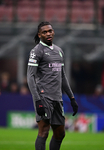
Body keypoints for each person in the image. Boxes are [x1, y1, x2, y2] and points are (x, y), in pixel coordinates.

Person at [27, 21, 78, 150]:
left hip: (57, 98)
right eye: (44, 32)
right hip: (43, 97)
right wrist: (37, 100)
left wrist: (72, 98)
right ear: (39, 35)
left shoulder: (59, 51)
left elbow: (62, 76)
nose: (48, 34)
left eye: (50, 31)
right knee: (44, 131)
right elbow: (30, 77)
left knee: (60, 133)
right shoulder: (36, 51)